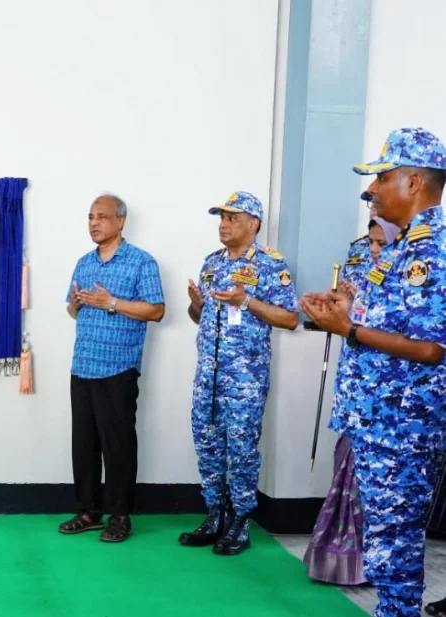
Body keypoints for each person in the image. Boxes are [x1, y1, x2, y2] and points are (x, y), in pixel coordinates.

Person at [301, 127, 446, 617]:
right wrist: (346, 308)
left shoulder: (433, 252)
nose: (372, 189)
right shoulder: (402, 249)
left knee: (395, 547)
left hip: (401, 427)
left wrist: (350, 330)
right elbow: (394, 322)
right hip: (377, 421)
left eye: (382, 178)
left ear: (413, 183)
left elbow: (430, 349)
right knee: (385, 546)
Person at [178, 191, 298, 556]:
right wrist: (197, 305)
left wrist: (246, 301)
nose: (223, 224)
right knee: (209, 447)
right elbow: (199, 319)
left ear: (253, 224)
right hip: (208, 379)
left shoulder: (270, 264)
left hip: (244, 380)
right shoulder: (211, 263)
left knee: (242, 451)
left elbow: (290, 318)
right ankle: (215, 515)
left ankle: (241, 521)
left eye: (232, 218)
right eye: (221, 218)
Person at [57, 194, 165, 543]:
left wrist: (112, 303)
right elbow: (74, 311)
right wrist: (75, 304)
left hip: (117, 368)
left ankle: (120, 516)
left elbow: (156, 310)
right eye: (90, 216)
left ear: (121, 221)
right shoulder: (84, 263)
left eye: (102, 216)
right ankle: (87, 511)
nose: (94, 223)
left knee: (117, 444)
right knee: (84, 443)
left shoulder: (140, 262)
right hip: (83, 365)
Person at [303, 215, 399, 586]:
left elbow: (397, 336)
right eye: (371, 243)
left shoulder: (410, 279)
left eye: (381, 244)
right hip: (356, 395)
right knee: (349, 471)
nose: (373, 250)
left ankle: (377, 567)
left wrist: (348, 316)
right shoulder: (372, 277)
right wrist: (340, 306)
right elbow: (358, 326)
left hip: (386, 404)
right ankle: (347, 562)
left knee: (382, 493)